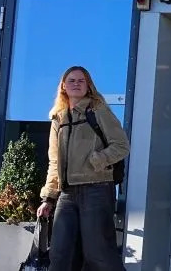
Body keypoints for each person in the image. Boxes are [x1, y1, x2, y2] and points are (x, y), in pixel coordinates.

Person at [36, 66, 130, 271]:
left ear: (88, 86)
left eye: (81, 80)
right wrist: (49, 198)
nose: (76, 84)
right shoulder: (58, 119)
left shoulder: (98, 110)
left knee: (99, 254)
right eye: (72, 80)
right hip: (67, 194)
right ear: (63, 86)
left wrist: (97, 160)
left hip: (96, 189)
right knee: (59, 254)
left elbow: (122, 146)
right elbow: (54, 162)